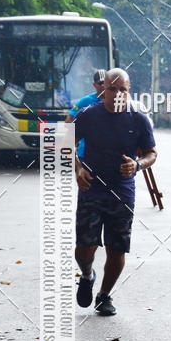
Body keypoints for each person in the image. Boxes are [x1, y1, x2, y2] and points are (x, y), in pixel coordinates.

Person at [73, 68, 157, 316]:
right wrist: (77, 169)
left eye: (123, 89)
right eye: (113, 89)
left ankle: (104, 295)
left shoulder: (139, 119)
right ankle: (87, 275)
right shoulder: (88, 115)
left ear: (129, 91)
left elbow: (152, 153)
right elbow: (65, 144)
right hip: (91, 187)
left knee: (117, 247)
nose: (118, 93)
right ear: (102, 90)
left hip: (122, 190)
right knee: (85, 247)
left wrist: (137, 164)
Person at [65, 69, 106, 159]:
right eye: (100, 83)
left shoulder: (114, 101)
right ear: (94, 85)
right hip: (85, 153)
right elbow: (69, 120)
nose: (103, 86)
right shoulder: (86, 101)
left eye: (105, 83)